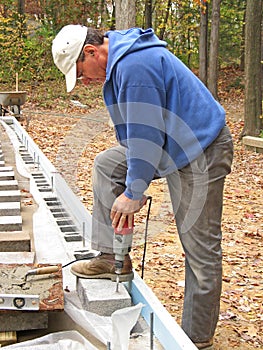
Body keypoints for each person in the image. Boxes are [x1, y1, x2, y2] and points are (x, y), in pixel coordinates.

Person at [52, 25, 233, 350]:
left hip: (201, 148)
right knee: (108, 164)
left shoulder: (135, 67)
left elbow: (146, 137)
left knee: (200, 249)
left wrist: (133, 192)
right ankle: (111, 258)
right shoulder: (121, 64)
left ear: (91, 53)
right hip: (169, 141)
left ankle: (196, 339)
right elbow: (138, 136)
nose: (85, 82)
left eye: (81, 73)